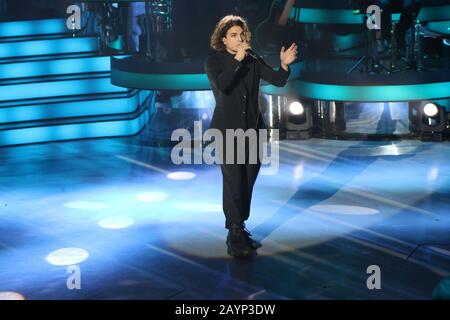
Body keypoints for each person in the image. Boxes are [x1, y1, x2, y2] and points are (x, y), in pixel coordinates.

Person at [204, 15, 297, 258]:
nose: (239, 39)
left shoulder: (252, 59)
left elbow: (277, 79)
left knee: (247, 179)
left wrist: (284, 64)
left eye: (241, 34)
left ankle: (239, 227)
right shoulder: (214, 62)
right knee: (234, 181)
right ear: (223, 39)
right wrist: (238, 59)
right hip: (228, 131)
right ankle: (234, 233)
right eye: (233, 35)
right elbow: (223, 85)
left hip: (253, 130)